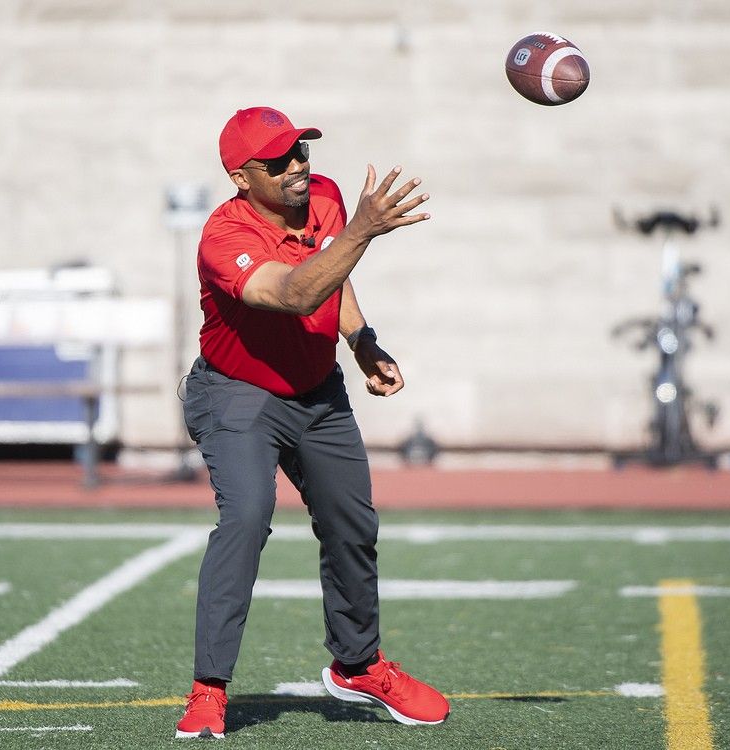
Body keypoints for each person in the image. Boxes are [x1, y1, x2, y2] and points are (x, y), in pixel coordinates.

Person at [175, 106, 450, 740]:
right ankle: (209, 688)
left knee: (352, 520)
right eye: (281, 161)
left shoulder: (323, 197)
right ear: (244, 177)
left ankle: (358, 666)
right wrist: (364, 230)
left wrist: (362, 342)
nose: (300, 167)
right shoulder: (223, 238)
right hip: (237, 393)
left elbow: (333, 277)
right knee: (245, 517)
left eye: (303, 151)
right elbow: (298, 291)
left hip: (315, 390)